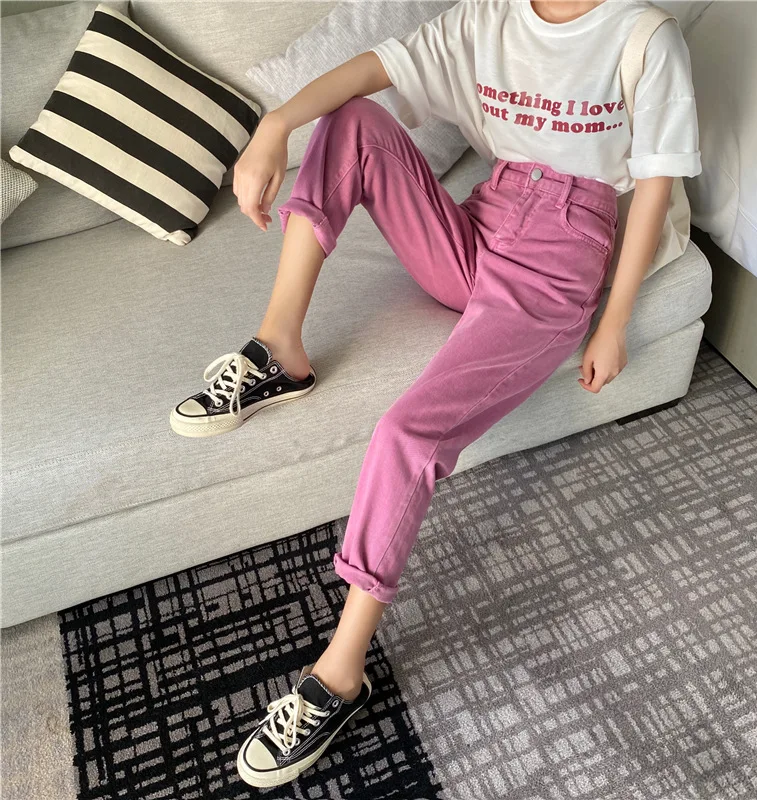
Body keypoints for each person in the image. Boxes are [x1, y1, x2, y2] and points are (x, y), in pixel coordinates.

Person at [171, 0, 701, 788]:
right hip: (485, 222)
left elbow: (655, 184)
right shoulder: (491, 18)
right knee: (352, 120)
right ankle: (280, 346)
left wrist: (614, 321)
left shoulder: (642, 36)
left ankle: (341, 672)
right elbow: (374, 70)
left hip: (559, 259)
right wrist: (275, 125)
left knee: (406, 435)